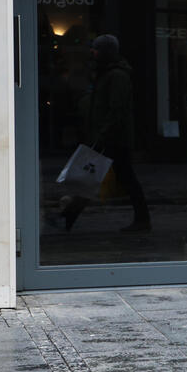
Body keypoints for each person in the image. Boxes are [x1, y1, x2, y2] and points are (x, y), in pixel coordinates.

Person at [57, 34, 150, 232]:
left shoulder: (117, 76)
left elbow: (116, 110)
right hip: (108, 136)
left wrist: (102, 134)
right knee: (93, 175)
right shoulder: (106, 73)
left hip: (114, 138)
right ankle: (69, 215)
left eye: (97, 49)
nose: (93, 52)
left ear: (106, 51)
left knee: (118, 177)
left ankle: (143, 220)